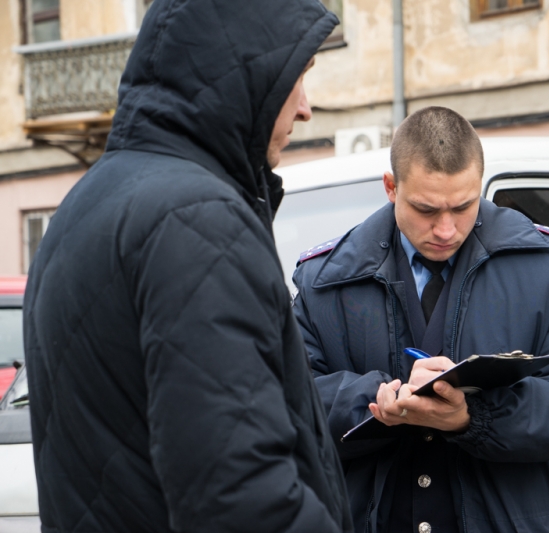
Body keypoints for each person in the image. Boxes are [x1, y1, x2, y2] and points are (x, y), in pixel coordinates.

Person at [23, 1, 353, 532]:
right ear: (245, 70)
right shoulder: (196, 219)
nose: (306, 108)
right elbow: (242, 499)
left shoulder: (89, 201)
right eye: (297, 77)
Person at [292, 106, 549, 532]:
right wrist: (374, 401)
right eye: (426, 210)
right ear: (391, 187)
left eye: (463, 207)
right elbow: (285, 404)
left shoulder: (547, 263)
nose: (446, 229)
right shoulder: (323, 280)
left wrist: (472, 417)